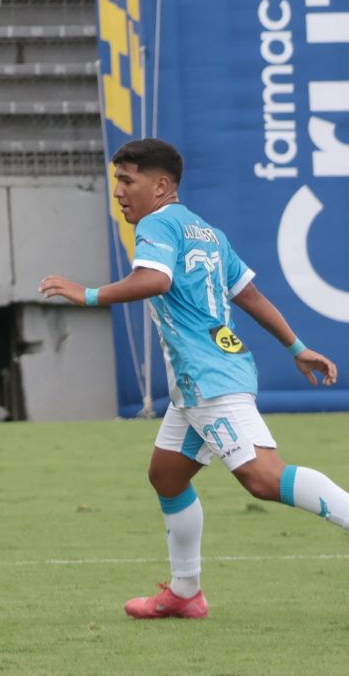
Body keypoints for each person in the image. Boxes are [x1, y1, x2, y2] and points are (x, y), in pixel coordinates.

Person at [39, 137, 340, 619]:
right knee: (167, 475)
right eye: (117, 180)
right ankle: (185, 593)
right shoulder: (206, 232)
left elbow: (154, 280)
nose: (118, 191)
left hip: (209, 377)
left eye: (127, 180)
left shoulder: (157, 224)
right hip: (205, 378)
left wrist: (88, 295)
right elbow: (252, 297)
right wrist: (297, 348)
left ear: (160, 186)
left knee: (264, 478)